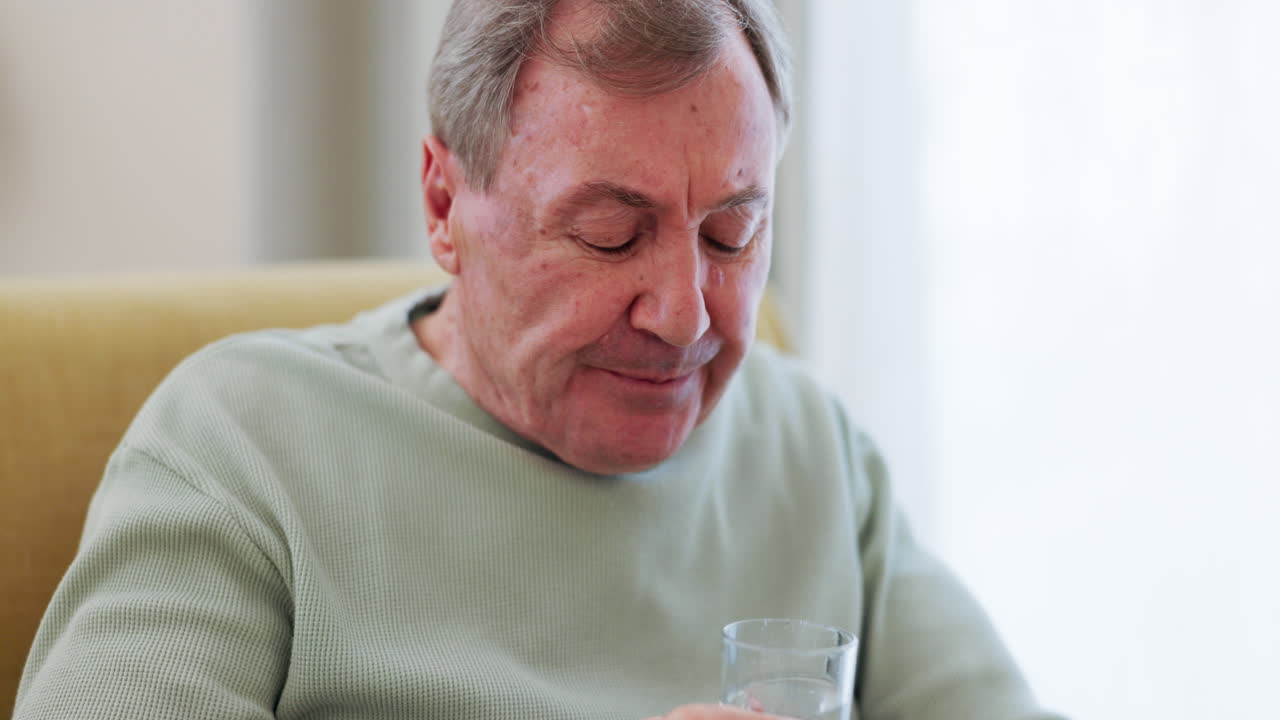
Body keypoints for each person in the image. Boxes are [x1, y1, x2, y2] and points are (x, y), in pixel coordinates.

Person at [15, 1, 1064, 719]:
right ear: (443, 204)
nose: (682, 315)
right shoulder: (245, 443)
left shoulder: (809, 453)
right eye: (610, 233)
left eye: (730, 235)